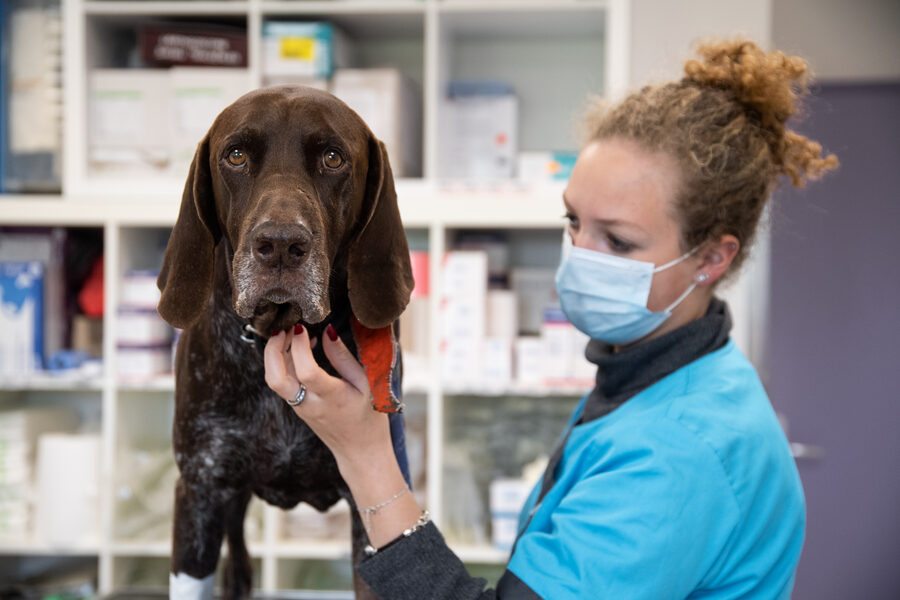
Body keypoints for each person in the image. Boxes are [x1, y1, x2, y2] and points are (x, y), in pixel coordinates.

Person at [264, 39, 838, 599]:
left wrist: (365, 453)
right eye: (573, 222)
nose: (579, 255)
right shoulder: (658, 377)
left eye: (617, 240)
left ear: (712, 257)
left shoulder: (679, 452)